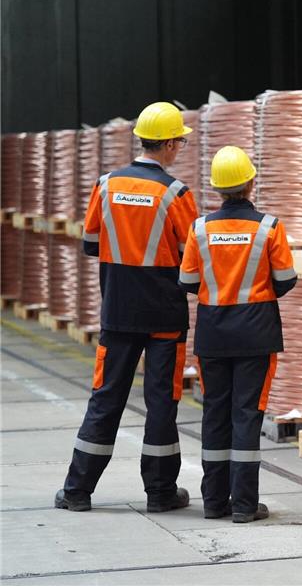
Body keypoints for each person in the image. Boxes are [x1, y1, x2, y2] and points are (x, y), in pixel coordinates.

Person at [57, 102, 198, 512]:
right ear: (169, 144)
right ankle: (160, 494)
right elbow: (190, 257)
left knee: (105, 398)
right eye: (181, 143)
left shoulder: (106, 185)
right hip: (165, 318)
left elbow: (90, 243)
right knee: (161, 404)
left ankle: (78, 491)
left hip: (118, 312)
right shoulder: (176, 194)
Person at [178, 145, 297, 523]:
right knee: (247, 414)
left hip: (213, 334)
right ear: (250, 181)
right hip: (256, 333)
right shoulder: (269, 227)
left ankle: (214, 502)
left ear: (217, 189)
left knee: (215, 413)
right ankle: (245, 505)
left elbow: (187, 281)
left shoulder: (200, 228)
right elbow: (285, 280)